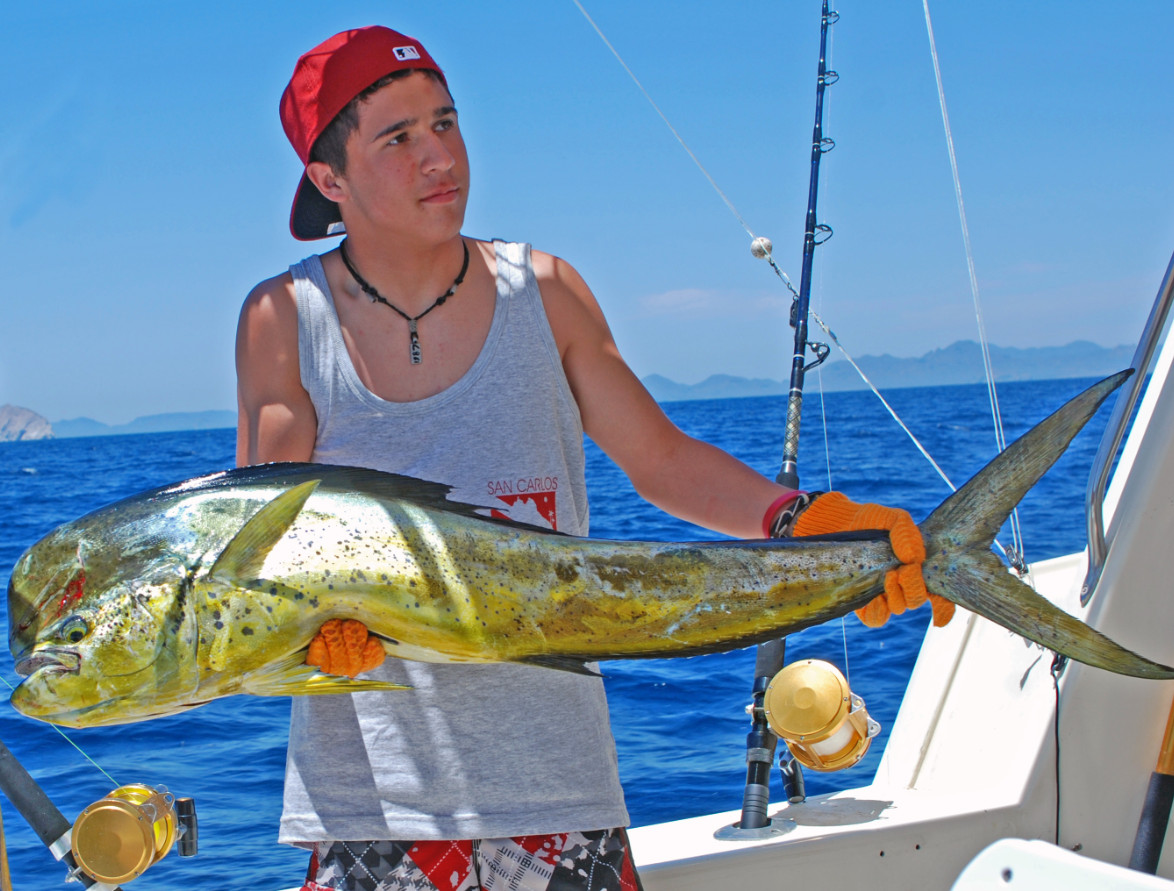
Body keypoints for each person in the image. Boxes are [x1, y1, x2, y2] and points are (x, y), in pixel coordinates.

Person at [235, 25, 953, 891]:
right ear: (328, 179)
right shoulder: (285, 319)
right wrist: (301, 643)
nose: (440, 156)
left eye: (445, 122)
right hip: (373, 812)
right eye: (399, 137)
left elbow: (660, 459)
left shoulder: (544, 291)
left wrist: (802, 520)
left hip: (558, 792)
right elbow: (260, 556)